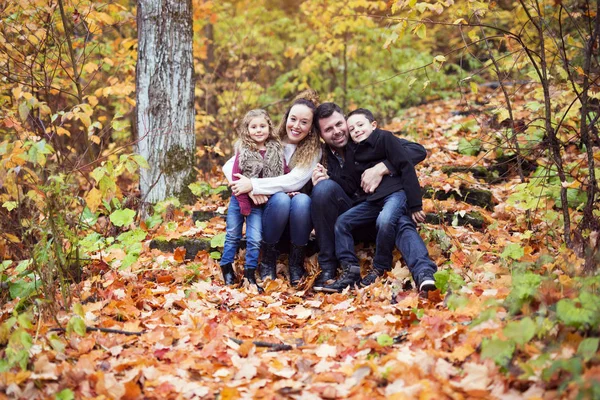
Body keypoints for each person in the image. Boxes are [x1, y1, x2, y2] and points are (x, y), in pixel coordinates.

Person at [311, 102, 437, 293]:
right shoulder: (322, 156)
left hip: (386, 205)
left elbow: (417, 151)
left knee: (400, 222)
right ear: (321, 135)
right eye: (328, 129)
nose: (337, 131)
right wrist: (322, 179)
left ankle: (423, 274)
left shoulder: (369, 137)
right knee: (323, 188)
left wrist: (382, 168)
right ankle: (332, 268)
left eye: (339, 124)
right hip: (357, 212)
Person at [223, 91, 322, 287]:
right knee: (282, 199)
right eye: (293, 119)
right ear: (286, 119)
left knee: (302, 200)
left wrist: (254, 185)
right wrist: (249, 189)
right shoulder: (271, 142)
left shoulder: (314, 150)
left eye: (304, 122)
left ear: (312, 127)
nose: (296, 125)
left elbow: (294, 180)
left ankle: (296, 262)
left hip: (298, 223)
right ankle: (268, 260)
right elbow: (229, 166)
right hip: (270, 215)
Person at [220, 109, 287, 292]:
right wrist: (243, 203)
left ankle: (250, 274)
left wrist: (292, 189)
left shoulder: (275, 150)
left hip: (258, 204)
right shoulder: (243, 149)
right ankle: (226, 267)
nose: (258, 130)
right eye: (254, 127)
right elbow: (235, 176)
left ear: (269, 127)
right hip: (239, 200)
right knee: (233, 235)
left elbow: (284, 172)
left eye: (262, 126)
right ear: (247, 129)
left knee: (255, 238)